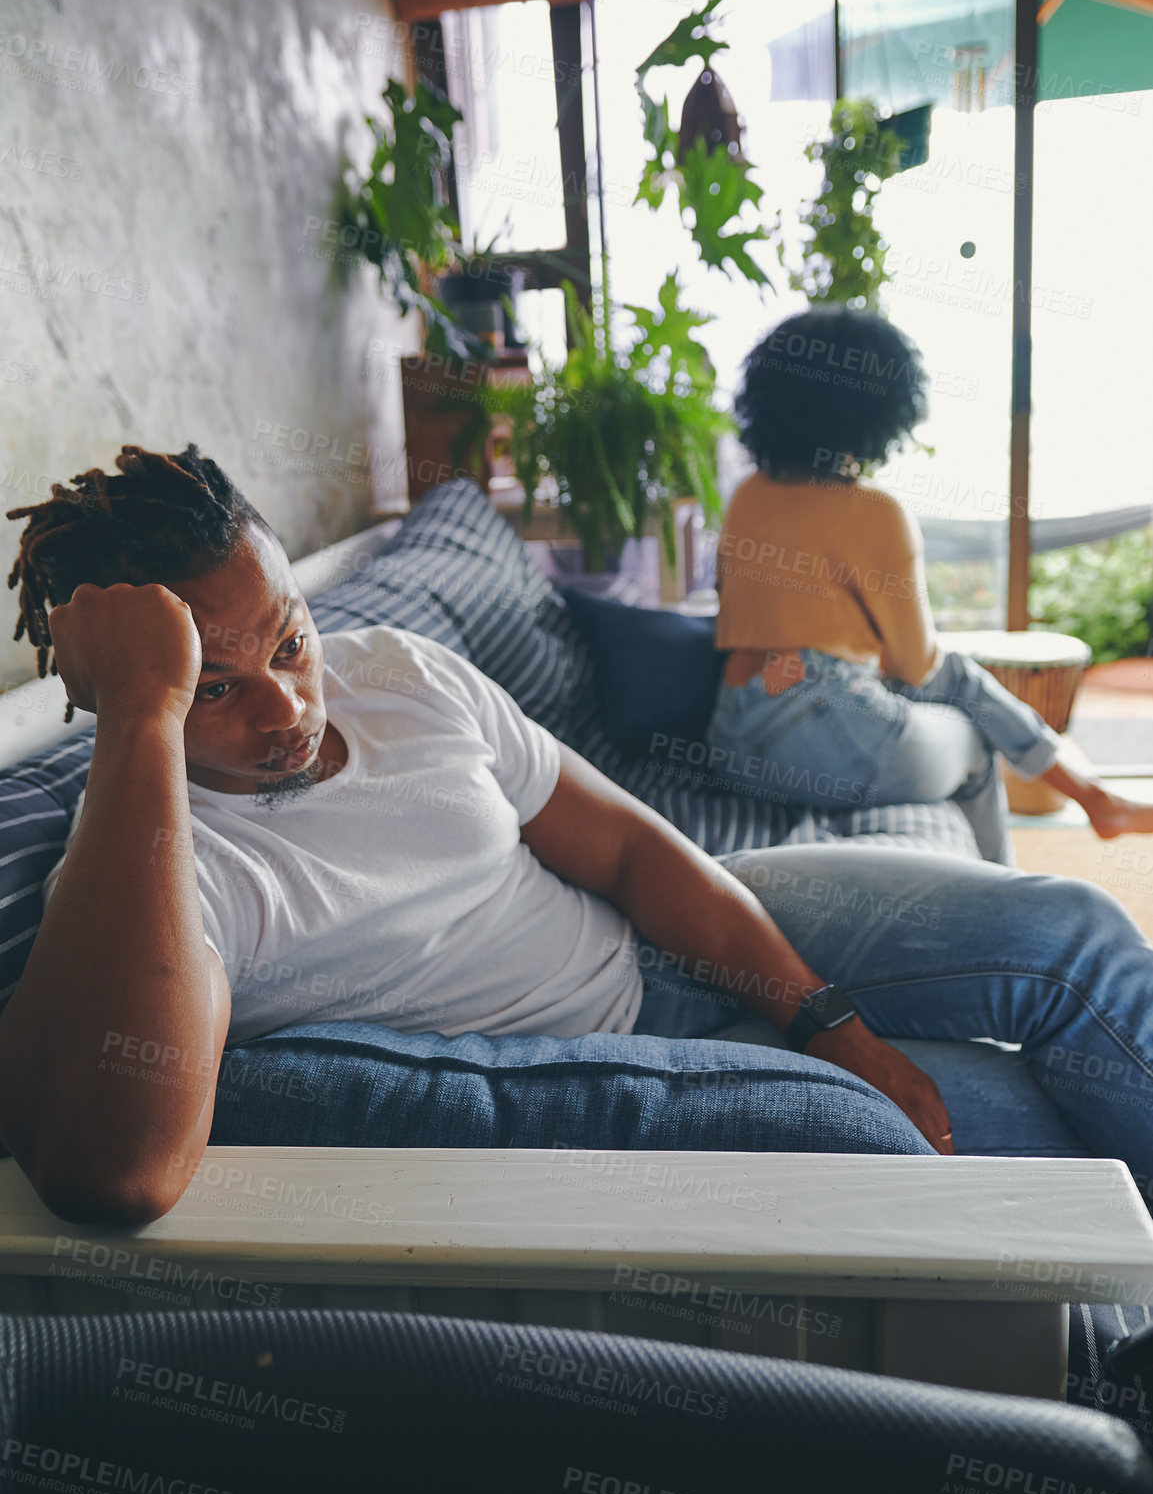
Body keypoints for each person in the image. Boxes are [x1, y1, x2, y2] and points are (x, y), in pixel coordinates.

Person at [2, 444, 1153, 1229]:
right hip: (634, 1048)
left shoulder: (389, 668)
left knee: (1079, 934)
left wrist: (826, 1017)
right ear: (123, 692)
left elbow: (627, 850)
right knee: (1049, 1133)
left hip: (675, 930)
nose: (290, 707)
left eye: (290, 642)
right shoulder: (154, 874)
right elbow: (116, 1167)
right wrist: (147, 717)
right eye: (216, 687)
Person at [708, 303, 1153, 866]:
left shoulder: (747, 495)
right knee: (969, 728)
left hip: (732, 737)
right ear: (880, 409)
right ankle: (1028, 872)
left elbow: (742, 615)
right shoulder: (873, 511)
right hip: (824, 723)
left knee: (951, 682)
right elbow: (918, 666)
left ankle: (1095, 802)